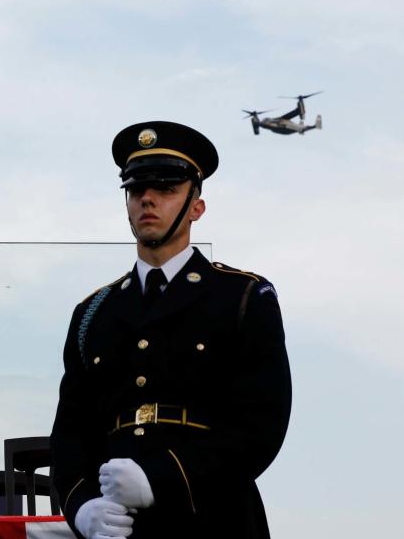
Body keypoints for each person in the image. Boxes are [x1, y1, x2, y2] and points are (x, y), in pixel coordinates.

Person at [50, 121, 291, 539]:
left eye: (166, 187)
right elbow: (71, 435)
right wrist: (81, 505)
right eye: (136, 188)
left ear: (196, 206)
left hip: (214, 519)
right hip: (118, 526)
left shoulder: (243, 297)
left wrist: (162, 478)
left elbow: (261, 426)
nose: (147, 199)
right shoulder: (93, 313)